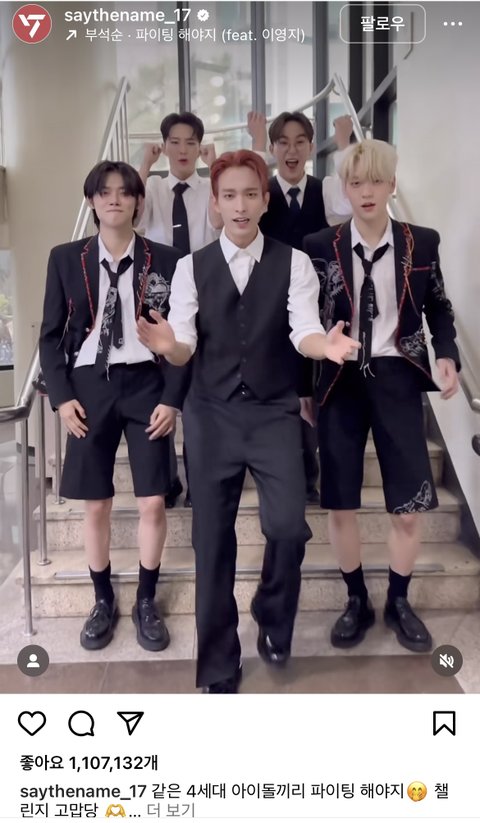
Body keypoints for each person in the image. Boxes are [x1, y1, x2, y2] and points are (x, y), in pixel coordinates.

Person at [138, 150, 360, 693]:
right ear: (215, 203)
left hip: (272, 412)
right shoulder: (190, 267)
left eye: (251, 194)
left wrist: (325, 347)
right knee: (212, 543)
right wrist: (169, 348)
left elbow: (303, 329)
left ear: (265, 201)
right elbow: (185, 344)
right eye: (229, 195)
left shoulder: (295, 263)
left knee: (287, 526)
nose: (240, 206)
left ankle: (272, 609)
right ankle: (219, 663)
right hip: (211, 414)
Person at [303, 139, 460, 652]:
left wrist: (447, 354)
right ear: (344, 189)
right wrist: (305, 386)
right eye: (356, 182)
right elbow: (304, 320)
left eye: (375, 181)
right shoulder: (320, 245)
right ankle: (356, 599)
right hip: (340, 379)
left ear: (392, 185)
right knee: (340, 503)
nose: (366, 191)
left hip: (398, 376)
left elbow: (438, 306)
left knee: (408, 507)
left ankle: (398, 599)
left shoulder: (422, 242)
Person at [39, 160, 189, 652]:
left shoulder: (167, 259)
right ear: (92, 202)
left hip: (147, 382)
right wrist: (62, 398)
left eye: (124, 192)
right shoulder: (66, 258)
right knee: (96, 503)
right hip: (89, 386)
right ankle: (102, 599)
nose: (114, 200)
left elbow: (183, 335)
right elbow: (50, 336)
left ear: (138, 202)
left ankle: (146, 599)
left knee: (152, 500)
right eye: (104, 192)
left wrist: (172, 398)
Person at [248, 111, 354, 504]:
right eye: (283, 143)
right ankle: (289, 477)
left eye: (299, 142)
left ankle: (314, 477)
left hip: (320, 309)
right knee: (285, 393)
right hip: (272, 307)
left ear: (311, 147)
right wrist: (256, 143)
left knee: (316, 392)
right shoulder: (261, 194)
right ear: (273, 149)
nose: (291, 150)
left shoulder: (325, 190)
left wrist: (344, 144)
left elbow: (350, 199)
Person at [137, 111, 222, 509]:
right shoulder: (154, 188)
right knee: (162, 391)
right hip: (160, 297)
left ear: (200, 146)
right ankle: (167, 480)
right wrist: (144, 164)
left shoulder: (210, 188)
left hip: (204, 293)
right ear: (165, 145)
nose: (183, 149)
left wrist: (215, 168)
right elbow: (135, 216)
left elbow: (220, 222)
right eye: (175, 141)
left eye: (191, 142)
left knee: (196, 394)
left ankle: (199, 483)